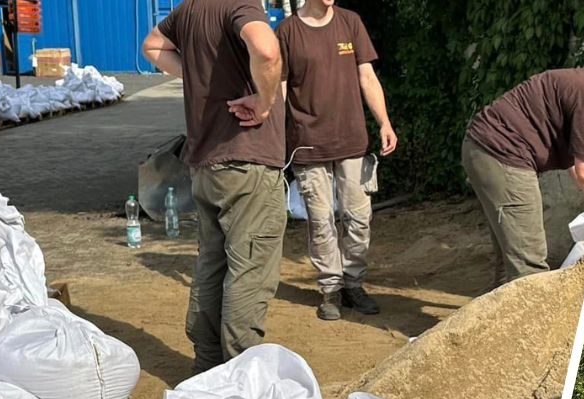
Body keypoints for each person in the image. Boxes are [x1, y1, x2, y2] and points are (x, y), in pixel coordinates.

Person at [142, 0, 287, 373]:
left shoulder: (191, 9)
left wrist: (195, 75)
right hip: (246, 163)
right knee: (248, 269)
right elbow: (267, 50)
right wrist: (265, 100)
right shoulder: (241, 5)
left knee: (212, 264)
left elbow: (153, 46)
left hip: (206, 165)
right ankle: (240, 376)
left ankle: (207, 367)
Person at [463, 37, 584, 286]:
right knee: (530, 266)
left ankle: (504, 323)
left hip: (483, 148)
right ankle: (529, 324)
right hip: (502, 154)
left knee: (511, 257)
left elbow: (577, 169)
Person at [278, 0, 397, 321]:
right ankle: (330, 288)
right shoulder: (288, 31)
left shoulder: (350, 22)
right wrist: (274, 134)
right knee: (320, 222)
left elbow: (367, 77)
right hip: (308, 145)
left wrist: (384, 122)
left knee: (359, 218)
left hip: (352, 140)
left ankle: (353, 284)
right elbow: (281, 88)